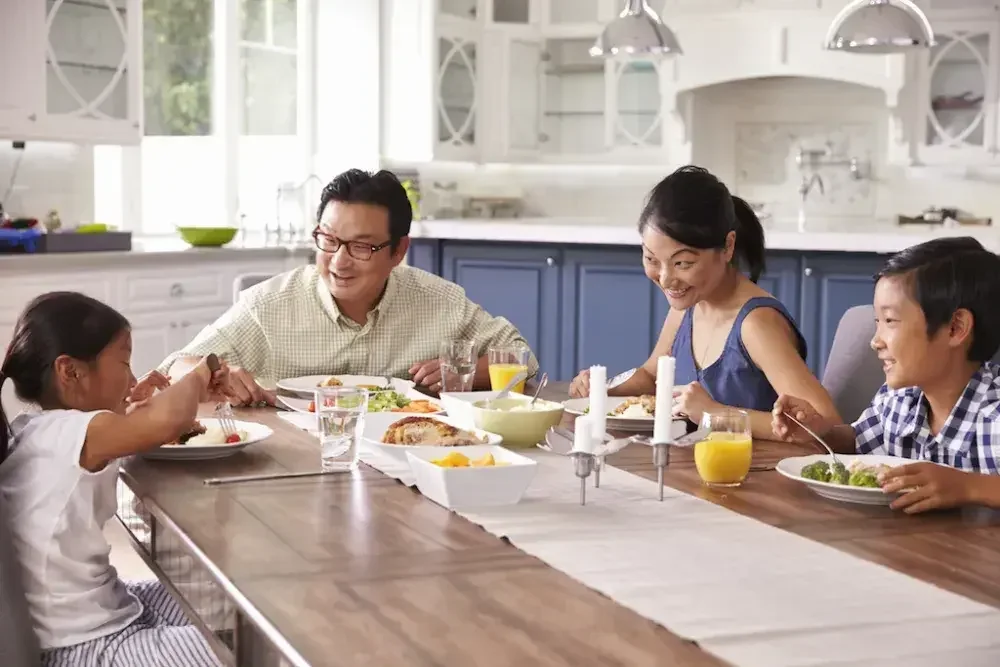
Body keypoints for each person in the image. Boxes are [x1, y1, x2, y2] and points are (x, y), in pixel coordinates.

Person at [160, 168, 537, 405]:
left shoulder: (439, 301)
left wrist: (463, 369)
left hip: (408, 458)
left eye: (361, 247)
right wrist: (211, 372)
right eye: (329, 240)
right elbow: (170, 369)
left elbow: (522, 358)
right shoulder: (268, 307)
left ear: (398, 251)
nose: (339, 261)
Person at [0, 291, 228, 666]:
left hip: (107, 611)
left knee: (229, 606)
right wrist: (201, 371)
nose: (133, 376)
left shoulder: (39, 431)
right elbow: (165, 422)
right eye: (124, 362)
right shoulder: (73, 433)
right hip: (85, 647)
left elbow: (138, 427)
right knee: (252, 648)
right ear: (70, 371)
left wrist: (131, 403)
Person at [569, 165, 840, 438]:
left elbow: (826, 425)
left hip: (755, 474)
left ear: (728, 246)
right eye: (651, 259)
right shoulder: (690, 303)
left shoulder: (755, 324)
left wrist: (715, 414)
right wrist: (605, 389)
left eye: (683, 263)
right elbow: (652, 377)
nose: (665, 279)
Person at [772, 237, 1000, 514]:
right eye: (877, 322)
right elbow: (858, 441)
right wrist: (819, 432)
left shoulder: (994, 413)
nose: (875, 341)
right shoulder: (900, 400)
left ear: (955, 328)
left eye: (890, 321)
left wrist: (968, 487)